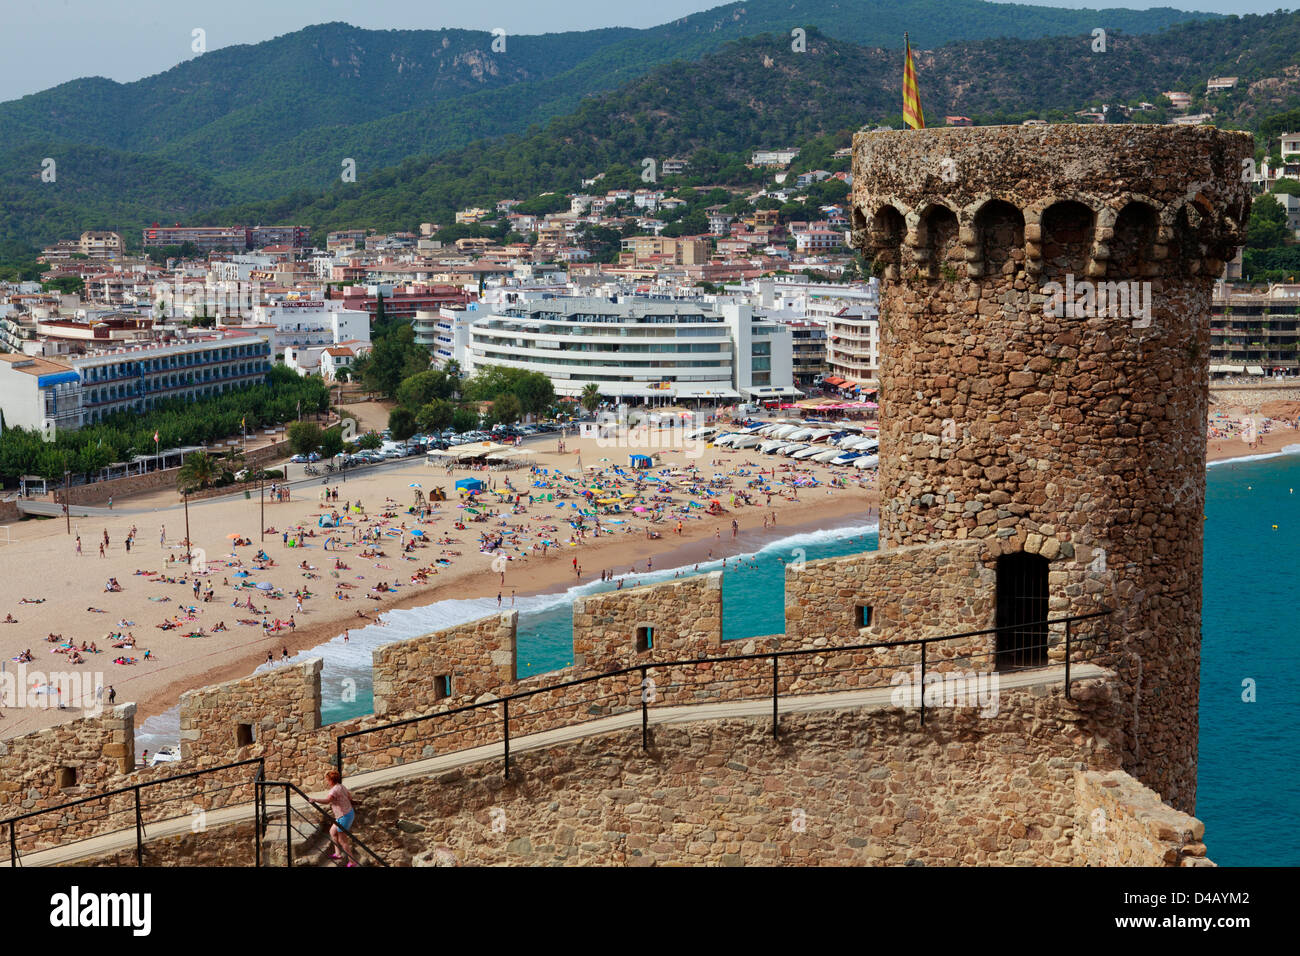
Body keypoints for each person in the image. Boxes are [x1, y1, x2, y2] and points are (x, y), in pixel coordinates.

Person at [309, 769, 356, 865]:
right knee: (332, 831)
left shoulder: (334, 790)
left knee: (342, 841)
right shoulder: (341, 786)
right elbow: (349, 796)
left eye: (327, 779)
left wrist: (315, 800)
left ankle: (352, 861)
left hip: (344, 816)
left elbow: (327, 800)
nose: (326, 781)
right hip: (348, 813)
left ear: (331, 780)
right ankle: (338, 853)